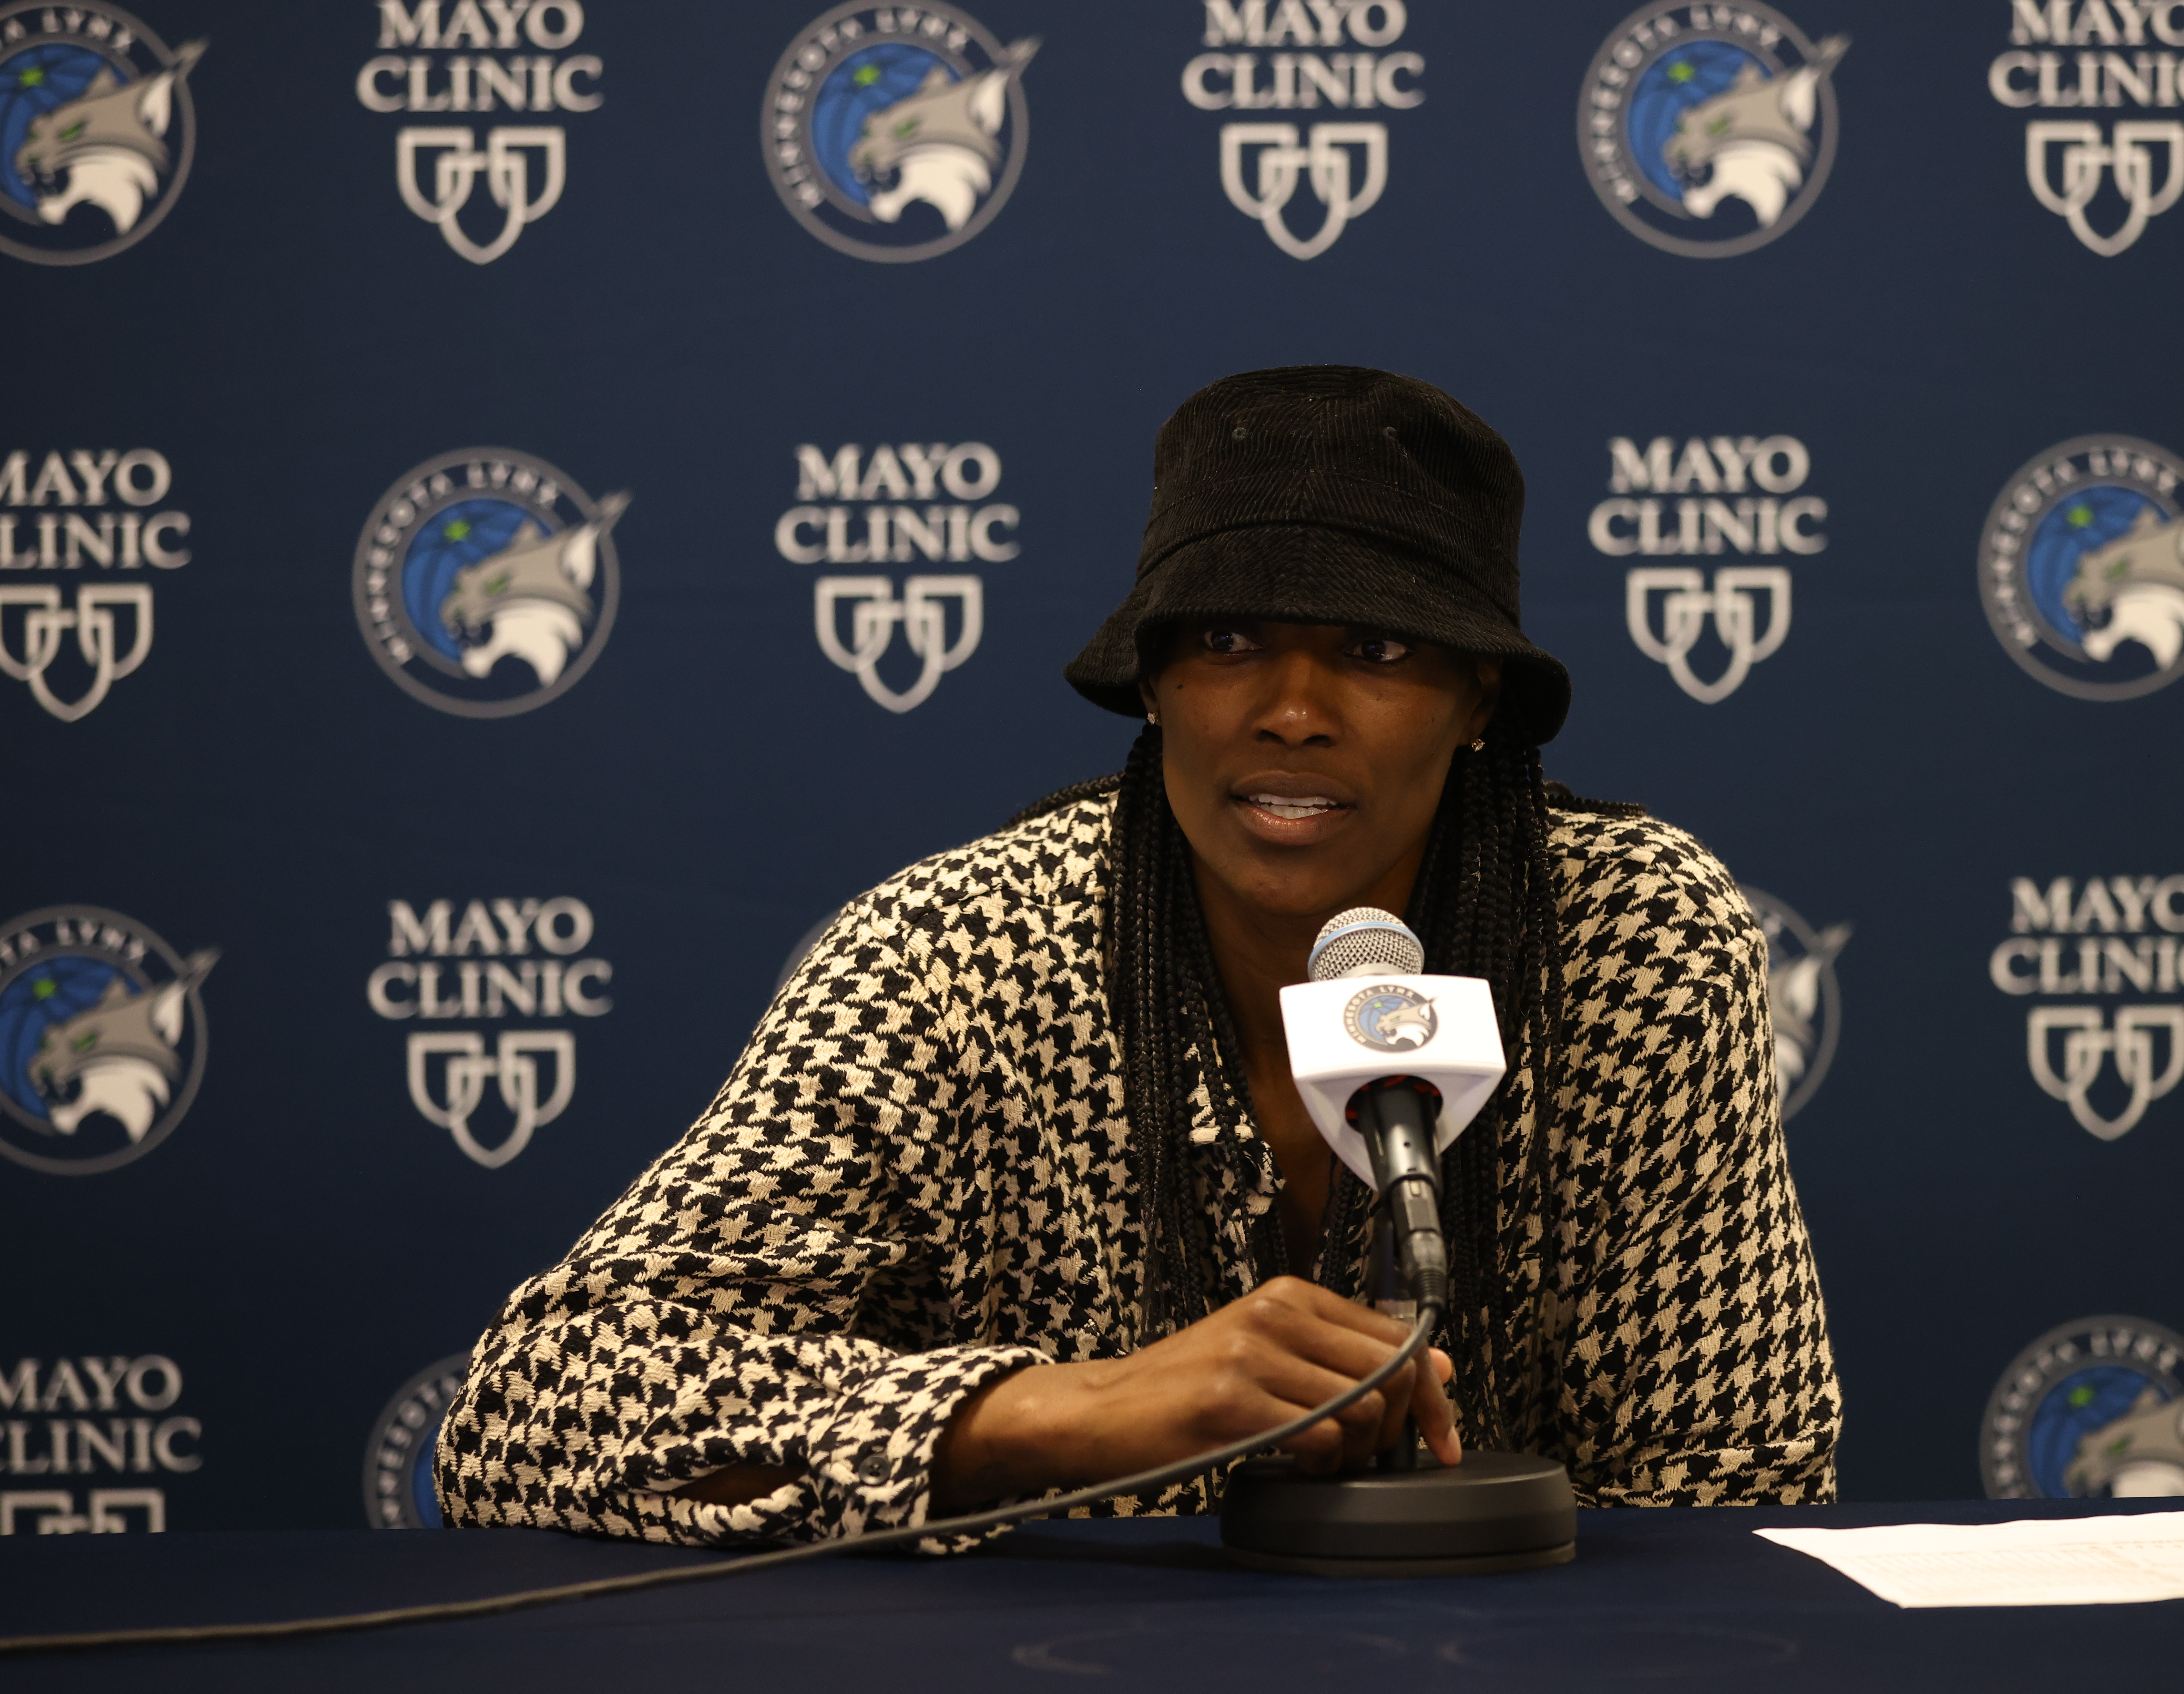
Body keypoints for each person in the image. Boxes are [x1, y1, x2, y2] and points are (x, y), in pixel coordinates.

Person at [437, 366, 1840, 1544]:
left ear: (1478, 698)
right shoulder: (952, 962)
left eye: (1372, 646)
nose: (1290, 710)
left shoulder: (1629, 941)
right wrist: (1041, 1413)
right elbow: (521, 1414)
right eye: (1227, 640)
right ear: (1156, 680)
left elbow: (1736, 1493)